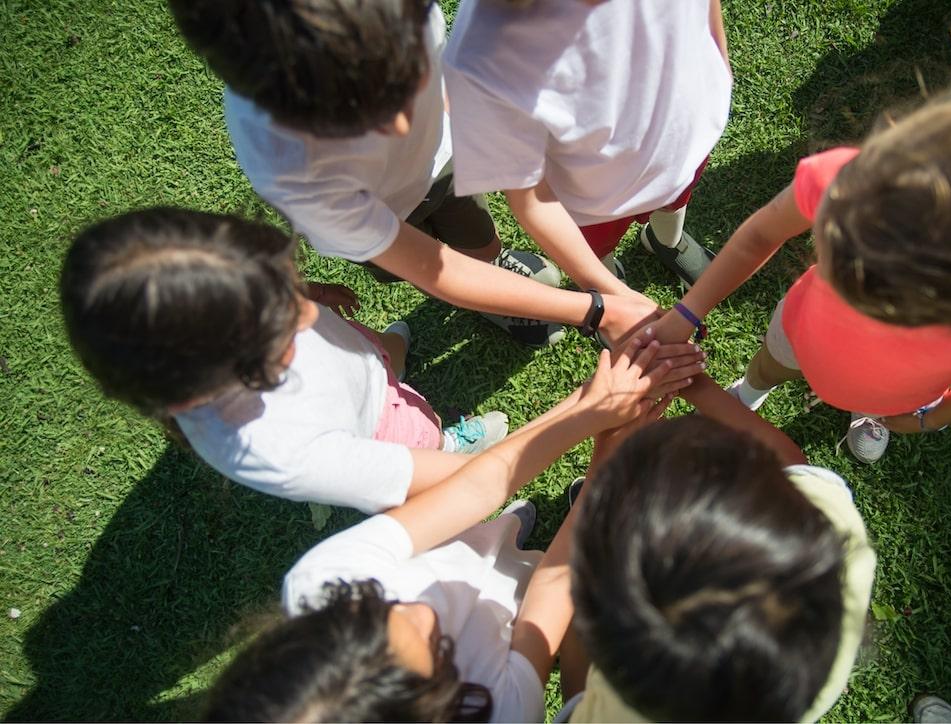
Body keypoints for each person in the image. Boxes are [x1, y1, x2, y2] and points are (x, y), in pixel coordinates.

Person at [201, 336, 704, 722]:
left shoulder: (321, 583)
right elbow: (548, 596)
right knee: (525, 567)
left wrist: (589, 407)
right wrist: (609, 459)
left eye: (379, 606)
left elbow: (472, 490)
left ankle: (512, 528)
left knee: (497, 530)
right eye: (439, 648)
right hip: (521, 596)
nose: (422, 610)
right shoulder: (502, 714)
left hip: (463, 541)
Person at [167, 0, 661, 349]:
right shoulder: (290, 172)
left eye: (406, 78)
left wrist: (601, 293)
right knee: (433, 267)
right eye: (355, 120)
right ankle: (491, 302)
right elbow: (430, 269)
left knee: (477, 231)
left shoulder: (396, 11)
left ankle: (494, 266)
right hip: (382, 218)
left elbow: (518, 174)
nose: (402, 124)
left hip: (444, 164)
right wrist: (593, 310)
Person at [60, 207, 520, 513]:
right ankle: (448, 440)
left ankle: (390, 362)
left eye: (281, 285)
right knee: (425, 432)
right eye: (279, 320)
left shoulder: (233, 321)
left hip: (356, 363)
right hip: (383, 428)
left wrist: (308, 293)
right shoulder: (277, 449)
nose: (307, 313)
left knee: (376, 354)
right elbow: (423, 484)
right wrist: (500, 470)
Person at [645, 95, 951, 462]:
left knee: (877, 399)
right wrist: (687, 313)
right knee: (769, 367)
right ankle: (747, 394)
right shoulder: (853, 184)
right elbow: (761, 234)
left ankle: (871, 414)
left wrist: (929, 418)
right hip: (800, 333)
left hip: (899, 392)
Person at [563, 374, 877, 721]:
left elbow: (577, 684)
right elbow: (795, 465)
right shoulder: (833, 537)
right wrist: (695, 385)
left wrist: (600, 475)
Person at [443, 0, 732, 295]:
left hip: (685, 148)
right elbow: (530, 199)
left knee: (675, 203)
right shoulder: (482, 56)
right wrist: (614, 299)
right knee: (597, 251)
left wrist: (720, 61)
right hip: (596, 202)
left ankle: (667, 241)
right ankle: (609, 282)